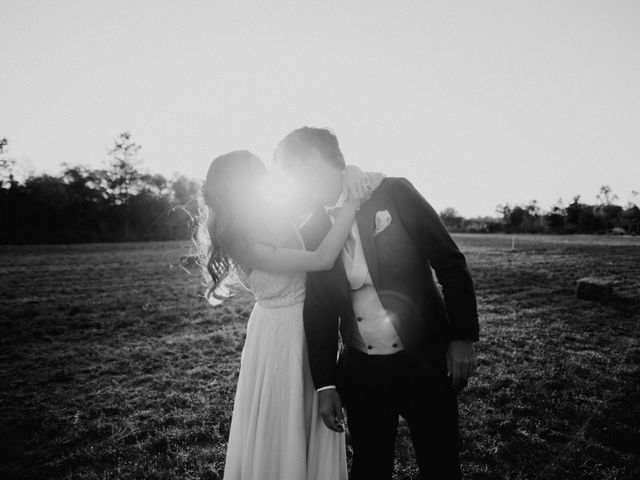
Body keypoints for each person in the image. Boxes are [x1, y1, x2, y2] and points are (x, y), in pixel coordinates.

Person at [274, 127, 480, 480]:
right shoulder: (311, 230)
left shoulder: (394, 192)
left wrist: (462, 337)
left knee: (441, 464)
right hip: (363, 372)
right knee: (369, 467)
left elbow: (450, 263)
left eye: (288, 170)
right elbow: (320, 310)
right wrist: (325, 384)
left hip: (425, 358)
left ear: (311, 157)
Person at [199, 150, 383, 480]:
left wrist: (350, 171)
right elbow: (323, 258)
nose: (267, 177)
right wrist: (352, 203)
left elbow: (321, 189)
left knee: (310, 416)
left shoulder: (273, 213)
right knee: (283, 420)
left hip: (311, 326)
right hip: (279, 335)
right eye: (258, 173)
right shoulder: (241, 240)